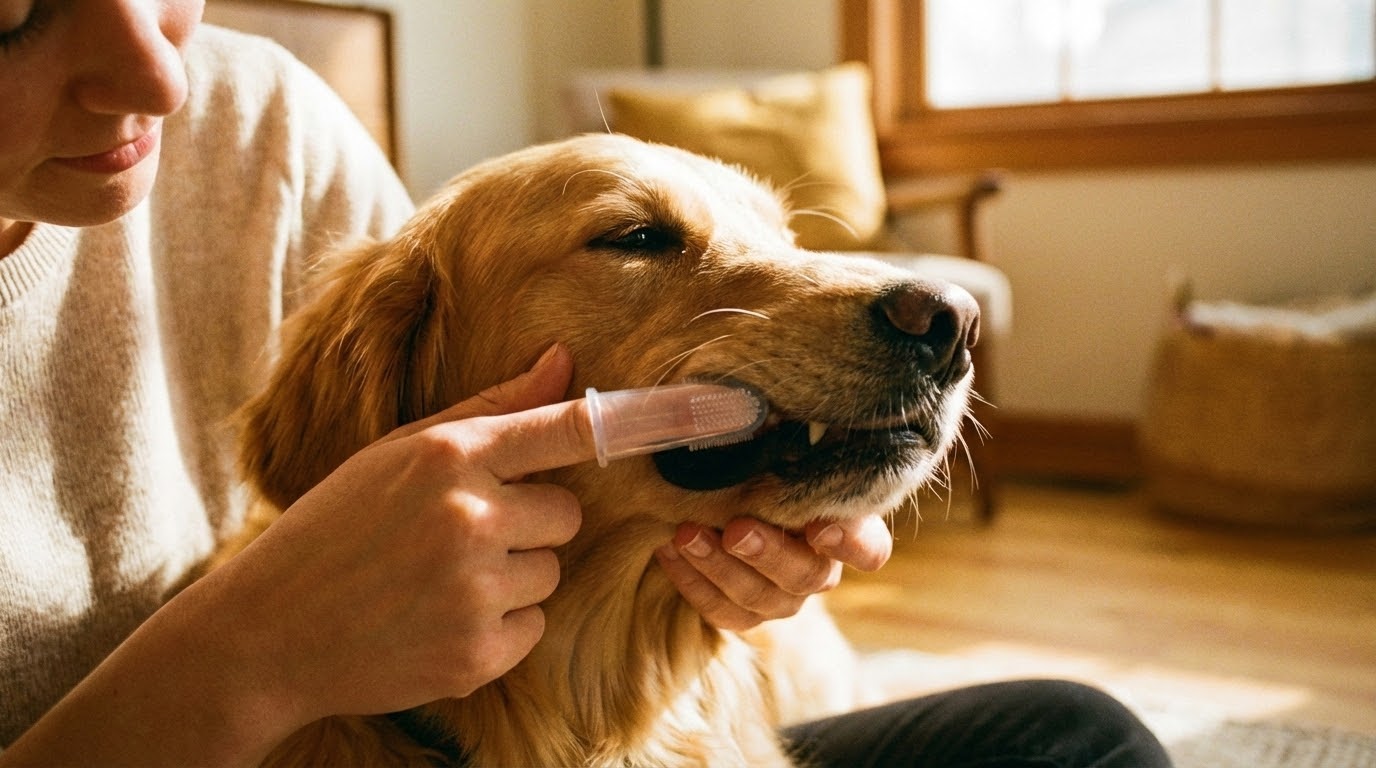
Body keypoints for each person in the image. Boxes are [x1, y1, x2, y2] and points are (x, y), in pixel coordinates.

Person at [0, 2, 1172, 766]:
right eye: (15, 14)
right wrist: (261, 649)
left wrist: (761, 572)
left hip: (650, 725)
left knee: (1075, 737)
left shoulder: (261, 117)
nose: (161, 78)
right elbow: (328, 460)